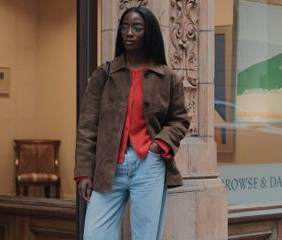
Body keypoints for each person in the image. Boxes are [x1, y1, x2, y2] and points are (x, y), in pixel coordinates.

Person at [75, 6, 190, 240]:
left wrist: (159, 145)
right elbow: (87, 126)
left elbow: (180, 119)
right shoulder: (104, 74)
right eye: (125, 27)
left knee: (145, 236)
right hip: (109, 166)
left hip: (148, 163)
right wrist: (84, 172)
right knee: (94, 234)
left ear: (149, 34)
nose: (129, 33)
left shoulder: (167, 77)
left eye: (137, 28)